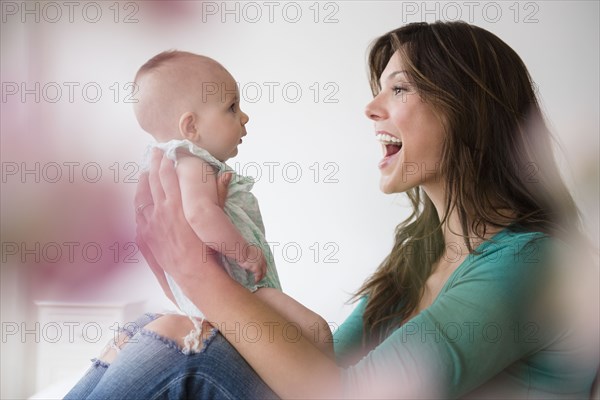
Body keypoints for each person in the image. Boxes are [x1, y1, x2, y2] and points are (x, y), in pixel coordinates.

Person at [65, 21, 598, 399]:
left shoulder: (531, 263)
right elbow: (321, 366)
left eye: (400, 88)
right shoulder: (419, 255)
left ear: (469, 112)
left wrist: (196, 274)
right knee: (153, 328)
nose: (370, 107)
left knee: (179, 351)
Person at [129, 51, 330, 355]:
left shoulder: (172, 167)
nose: (244, 116)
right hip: (240, 291)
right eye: (232, 107)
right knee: (317, 332)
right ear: (191, 127)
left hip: (219, 293)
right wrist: (244, 253)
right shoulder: (192, 162)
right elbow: (200, 214)